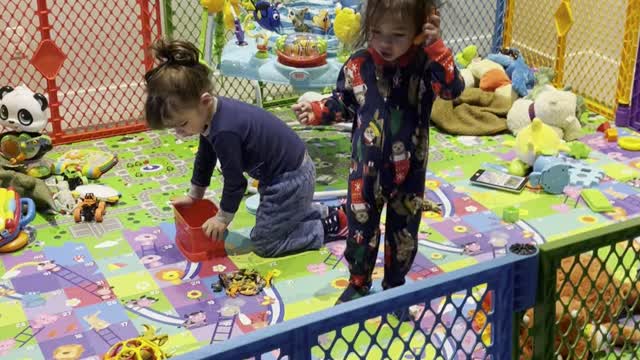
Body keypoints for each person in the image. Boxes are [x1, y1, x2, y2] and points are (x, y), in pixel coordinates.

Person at [292, 0, 465, 309]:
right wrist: (318, 110)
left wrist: (436, 47)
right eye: (376, 32)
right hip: (365, 172)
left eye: (398, 34)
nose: (385, 42)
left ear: (418, 30)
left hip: (409, 173)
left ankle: (395, 287)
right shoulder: (358, 64)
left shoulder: (426, 64)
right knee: (360, 230)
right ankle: (358, 283)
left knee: (404, 233)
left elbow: (452, 90)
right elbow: (344, 101)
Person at [144, 39, 347, 258]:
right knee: (277, 218)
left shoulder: (224, 131)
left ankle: (330, 225)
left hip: (290, 179)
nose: (179, 133)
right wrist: (195, 197)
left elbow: (235, 182)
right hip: (286, 173)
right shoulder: (211, 114)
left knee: (265, 243)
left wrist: (222, 218)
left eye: (182, 124)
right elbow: (205, 157)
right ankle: (329, 212)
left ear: (204, 101)